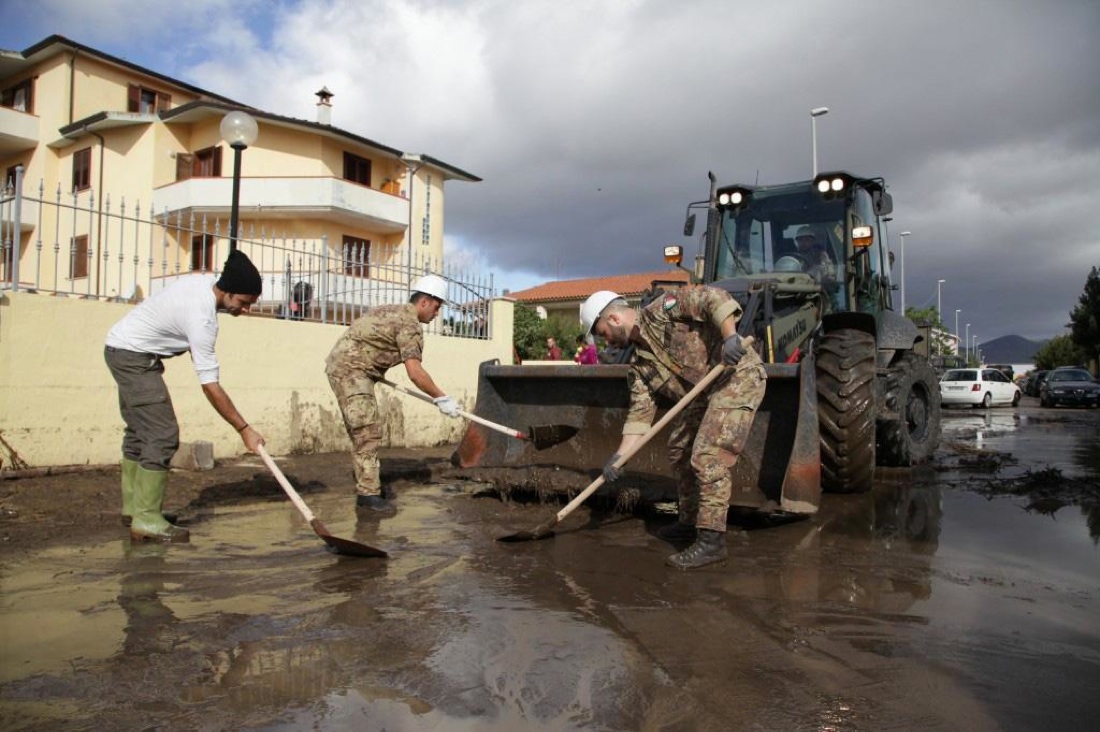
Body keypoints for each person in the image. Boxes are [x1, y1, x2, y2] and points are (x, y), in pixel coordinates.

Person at [580, 287, 766, 570]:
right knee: (680, 450)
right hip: (703, 395)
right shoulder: (639, 368)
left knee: (707, 455)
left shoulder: (664, 309)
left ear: (615, 319)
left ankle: (712, 541)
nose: (606, 342)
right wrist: (619, 457)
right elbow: (639, 419)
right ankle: (689, 522)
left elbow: (714, 298)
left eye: (602, 333)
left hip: (736, 375)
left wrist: (730, 337)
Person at [104, 248, 265, 543]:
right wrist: (244, 429)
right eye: (243, 303)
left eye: (251, 304)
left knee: (139, 432)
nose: (246, 310)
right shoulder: (202, 318)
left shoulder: (203, 284)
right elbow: (210, 385)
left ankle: (135, 509)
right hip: (132, 356)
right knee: (162, 434)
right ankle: (146, 520)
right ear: (227, 291)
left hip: (123, 349)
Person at [325, 274, 460, 514]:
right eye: (437, 307)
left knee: (365, 431)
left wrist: (374, 368)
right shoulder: (410, 326)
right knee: (367, 432)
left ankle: (368, 487)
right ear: (425, 301)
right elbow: (415, 372)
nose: (437, 313)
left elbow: (367, 338)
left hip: (352, 367)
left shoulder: (392, 310)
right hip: (352, 371)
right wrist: (442, 398)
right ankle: (368, 496)